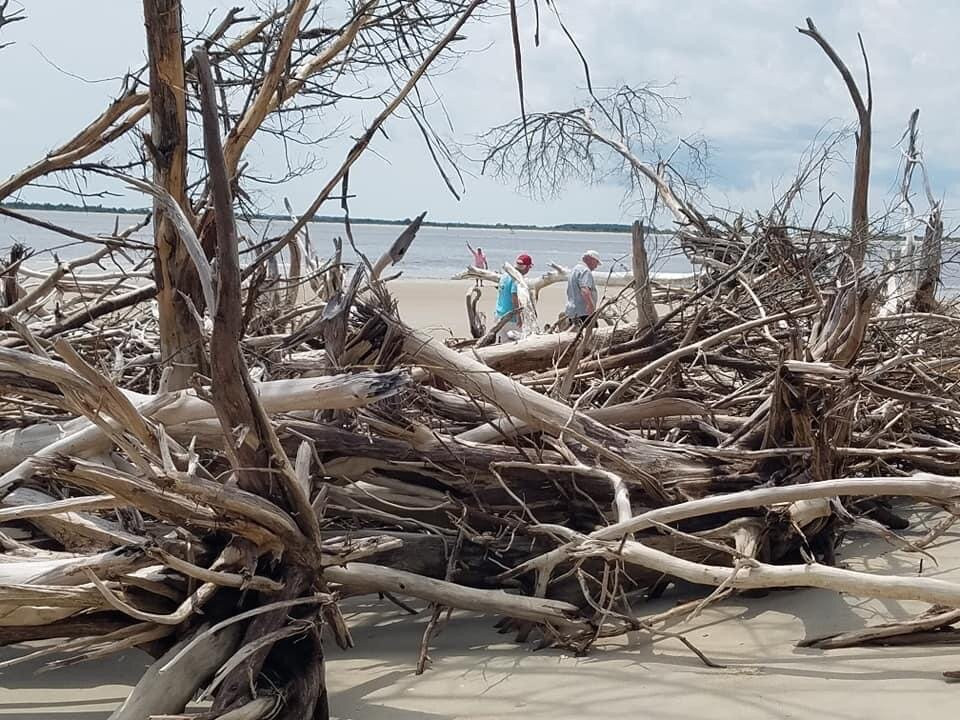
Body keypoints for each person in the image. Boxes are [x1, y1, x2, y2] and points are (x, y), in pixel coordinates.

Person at [495, 253, 533, 343]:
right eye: (529, 267)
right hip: (511, 318)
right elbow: (514, 296)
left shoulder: (505, 275)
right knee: (516, 344)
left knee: (502, 345)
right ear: (526, 267)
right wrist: (518, 316)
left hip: (499, 314)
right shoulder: (516, 278)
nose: (528, 270)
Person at [565, 250, 601, 327]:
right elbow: (585, 290)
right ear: (591, 259)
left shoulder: (575, 269)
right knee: (591, 334)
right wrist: (590, 306)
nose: (596, 266)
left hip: (572, 311)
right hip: (583, 312)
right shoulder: (585, 271)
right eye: (596, 262)